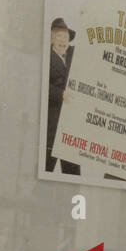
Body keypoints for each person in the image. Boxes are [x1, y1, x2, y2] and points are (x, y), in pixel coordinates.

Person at [45, 17, 80, 174]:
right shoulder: (46, 57)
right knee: (46, 167)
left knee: (72, 172)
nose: (62, 41)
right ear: (52, 37)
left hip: (70, 126)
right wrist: (60, 94)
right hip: (51, 124)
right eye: (59, 36)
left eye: (65, 37)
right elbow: (41, 86)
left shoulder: (73, 54)